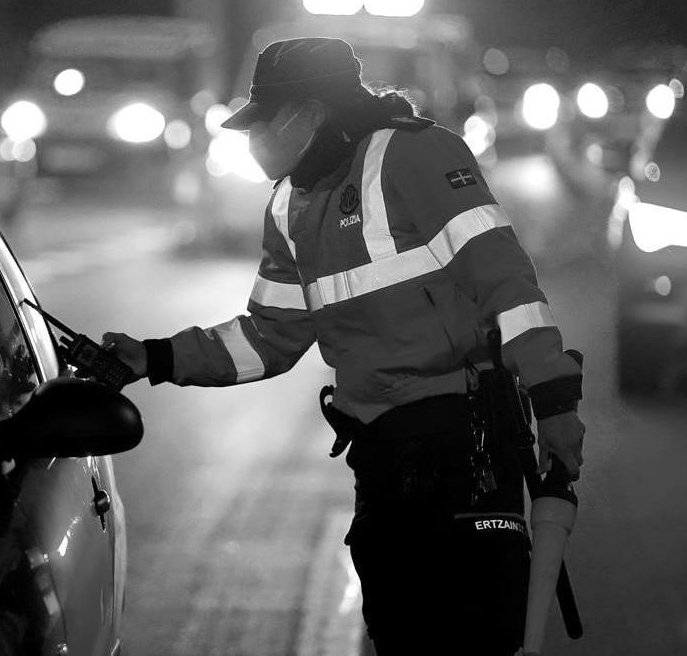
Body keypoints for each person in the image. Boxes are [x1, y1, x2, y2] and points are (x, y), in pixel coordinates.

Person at [103, 37, 586, 654]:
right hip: (382, 452)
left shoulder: (417, 155)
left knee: (477, 633)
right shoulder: (290, 205)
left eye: (268, 121)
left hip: (467, 438)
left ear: (314, 112)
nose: (258, 140)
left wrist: (554, 405)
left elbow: (507, 285)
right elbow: (268, 337)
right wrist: (154, 358)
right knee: (400, 633)